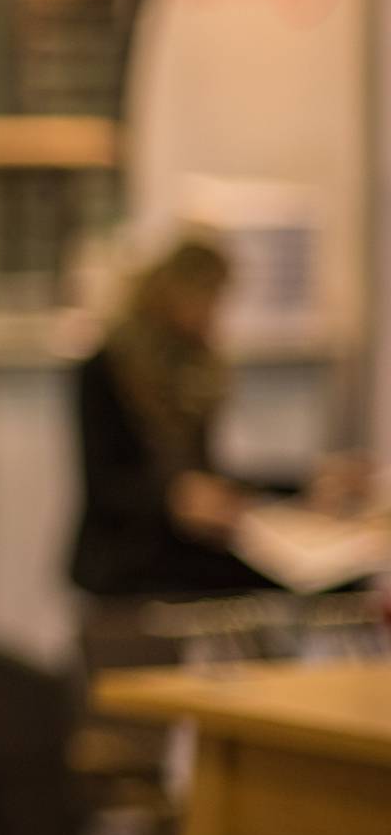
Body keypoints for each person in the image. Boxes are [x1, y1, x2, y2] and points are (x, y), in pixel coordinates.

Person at [69, 236, 281, 596]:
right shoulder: (108, 366)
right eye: (208, 299)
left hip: (179, 546)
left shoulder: (194, 368)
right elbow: (104, 486)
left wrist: (303, 486)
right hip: (129, 553)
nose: (213, 314)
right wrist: (173, 498)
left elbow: (207, 475)